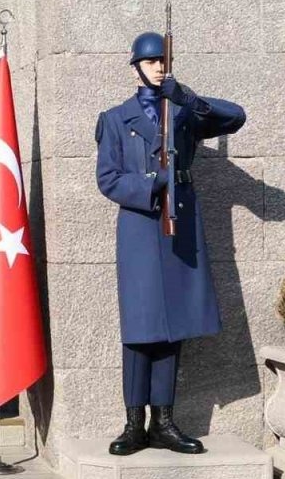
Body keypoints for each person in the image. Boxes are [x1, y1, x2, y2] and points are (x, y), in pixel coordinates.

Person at [95, 31, 246, 456]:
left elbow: (235, 117)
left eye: (164, 60)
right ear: (136, 67)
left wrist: (188, 98)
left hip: (179, 226)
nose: (159, 67)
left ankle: (164, 421)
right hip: (142, 227)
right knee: (141, 329)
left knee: (172, 327)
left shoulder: (181, 112)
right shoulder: (115, 118)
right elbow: (107, 179)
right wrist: (151, 182)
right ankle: (133, 423)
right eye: (151, 61)